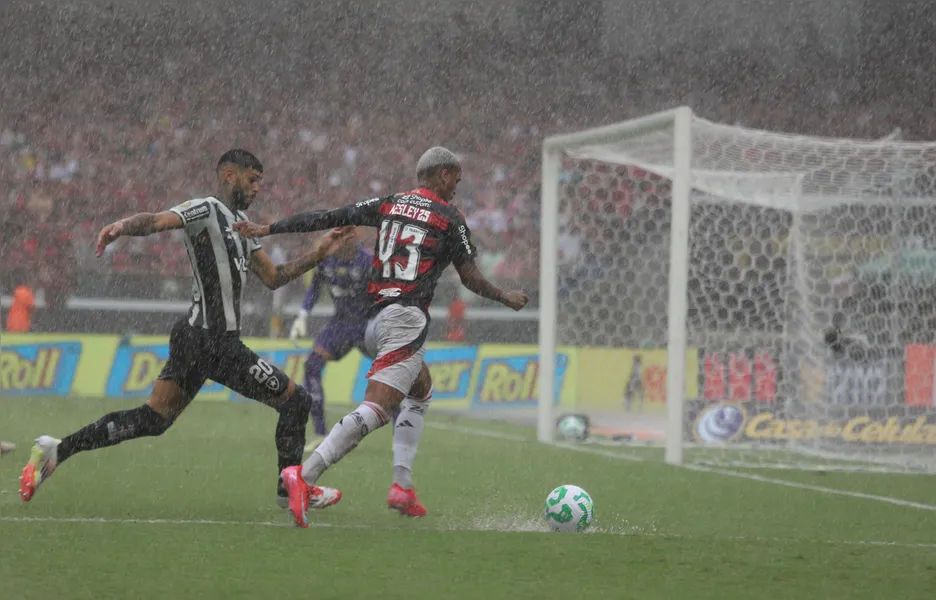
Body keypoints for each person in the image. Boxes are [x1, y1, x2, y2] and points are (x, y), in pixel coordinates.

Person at [20, 149, 352, 511]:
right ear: (228, 175)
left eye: (261, 181)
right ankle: (290, 490)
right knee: (297, 401)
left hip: (194, 337)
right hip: (213, 340)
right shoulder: (205, 208)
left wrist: (321, 252)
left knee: (154, 419)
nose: (258, 188)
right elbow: (158, 221)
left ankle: (57, 450)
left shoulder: (242, 226)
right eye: (252, 179)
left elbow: (273, 278)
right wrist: (122, 226)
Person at [235, 146, 529, 527]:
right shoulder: (448, 217)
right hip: (405, 318)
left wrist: (268, 228)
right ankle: (303, 476)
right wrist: (504, 296)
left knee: (421, 390)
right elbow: (470, 277)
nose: (458, 184)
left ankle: (401, 486)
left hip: (377, 320)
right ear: (441, 174)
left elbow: (329, 216)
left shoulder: (389, 203)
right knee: (377, 409)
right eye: (455, 176)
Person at [289, 231, 372, 451]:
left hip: (368, 324)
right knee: (312, 366)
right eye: (341, 237)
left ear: (354, 238)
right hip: (340, 324)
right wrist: (302, 315)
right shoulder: (327, 262)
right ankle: (321, 432)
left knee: (389, 373)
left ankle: (401, 427)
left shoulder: (368, 262)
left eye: (349, 237)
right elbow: (314, 290)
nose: (345, 242)